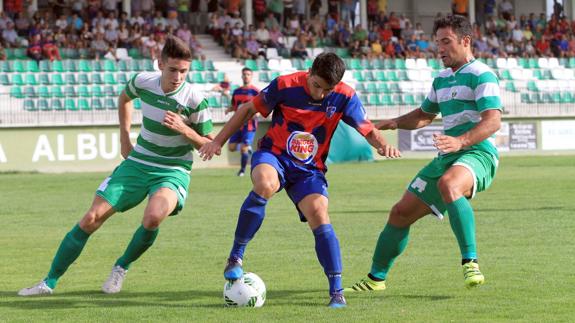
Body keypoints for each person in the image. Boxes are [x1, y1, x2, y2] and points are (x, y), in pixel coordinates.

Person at [199, 53, 401, 308]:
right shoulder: (284, 85)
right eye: (317, 85)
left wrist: (382, 145)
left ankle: (336, 291)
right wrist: (218, 140)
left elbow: (368, 128)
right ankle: (236, 256)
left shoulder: (344, 95)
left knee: (319, 212)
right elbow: (248, 108)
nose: (320, 95)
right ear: (309, 71)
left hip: (309, 169)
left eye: (327, 90)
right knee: (264, 185)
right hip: (274, 155)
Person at [18, 35, 213, 296]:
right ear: (160, 64)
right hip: (138, 162)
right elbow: (124, 99)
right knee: (91, 218)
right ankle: (48, 282)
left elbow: (209, 146)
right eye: (173, 69)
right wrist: (124, 137)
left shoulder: (195, 100)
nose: (178, 76)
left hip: (172, 170)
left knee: (153, 217)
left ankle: (121, 266)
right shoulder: (143, 82)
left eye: (184, 71)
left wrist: (184, 130)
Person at [346, 14, 502, 292]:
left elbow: (492, 121)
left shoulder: (482, 75)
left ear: (465, 41)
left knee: (449, 184)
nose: (439, 49)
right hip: (449, 156)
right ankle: (375, 280)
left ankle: (470, 262)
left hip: (477, 152)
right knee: (400, 213)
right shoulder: (441, 80)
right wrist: (395, 122)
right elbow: (424, 115)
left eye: (446, 42)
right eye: (437, 42)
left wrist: (462, 141)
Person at [225, 67, 260, 177]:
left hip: (250, 125)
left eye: (248, 74)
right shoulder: (237, 91)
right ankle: (248, 148)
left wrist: (257, 114)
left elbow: (260, 108)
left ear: (251, 76)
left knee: (244, 148)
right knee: (231, 147)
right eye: (244, 74)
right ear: (241, 76)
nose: (246, 76)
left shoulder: (256, 92)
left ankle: (242, 170)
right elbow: (235, 106)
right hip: (238, 124)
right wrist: (229, 109)